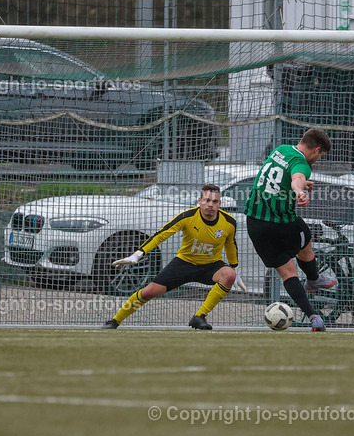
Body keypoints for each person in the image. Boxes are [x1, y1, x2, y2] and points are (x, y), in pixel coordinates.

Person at [102, 184, 243, 330]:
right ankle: (115, 321)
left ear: (219, 204)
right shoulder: (187, 217)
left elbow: (231, 245)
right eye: (207, 200)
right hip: (184, 264)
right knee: (148, 293)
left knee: (228, 275)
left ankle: (199, 316)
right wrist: (138, 254)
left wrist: (235, 268)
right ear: (200, 201)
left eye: (214, 202)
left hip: (211, 266)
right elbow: (161, 235)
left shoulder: (229, 222)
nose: (210, 205)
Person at [244, 127, 335, 332]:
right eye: (320, 156)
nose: (317, 159)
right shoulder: (302, 163)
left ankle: (314, 317)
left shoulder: (281, 150)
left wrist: (297, 185)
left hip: (254, 223)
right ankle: (313, 279)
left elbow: (279, 178)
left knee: (288, 273)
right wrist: (299, 191)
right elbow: (297, 178)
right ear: (316, 149)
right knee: (306, 237)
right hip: (280, 223)